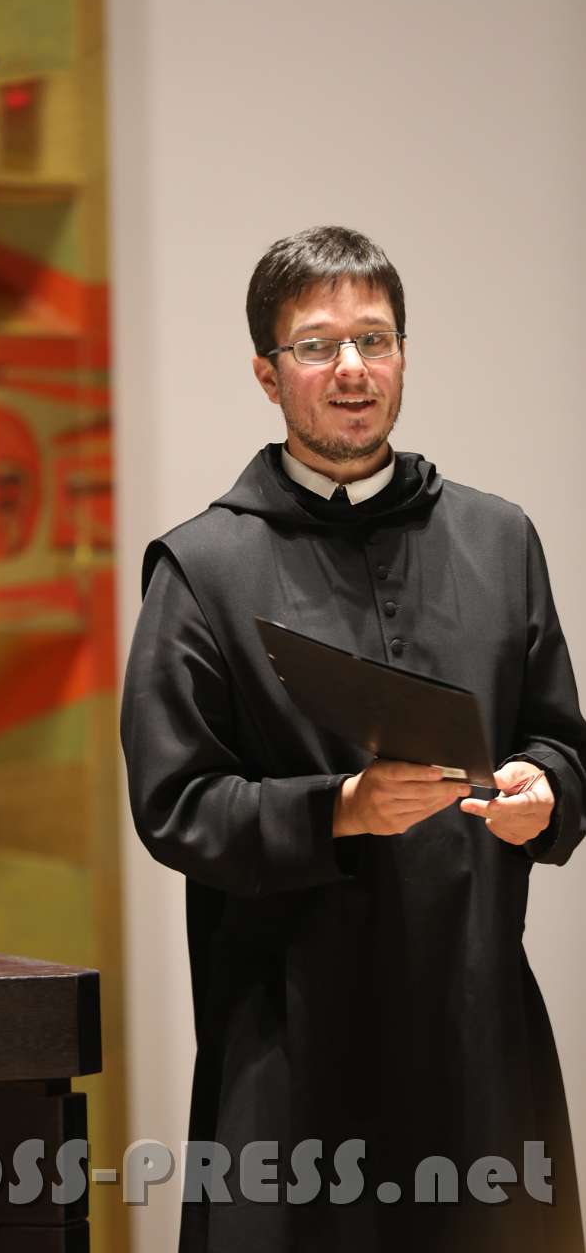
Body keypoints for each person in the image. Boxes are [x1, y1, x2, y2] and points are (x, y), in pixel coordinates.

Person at [120, 225, 586, 1252]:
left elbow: (563, 739)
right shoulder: (201, 569)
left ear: (403, 355)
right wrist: (338, 807)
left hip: (474, 1027)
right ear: (266, 371)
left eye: (374, 340)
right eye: (317, 346)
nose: (350, 370)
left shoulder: (499, 539)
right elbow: (174, 803)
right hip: (288, 1041)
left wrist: (546, 792)